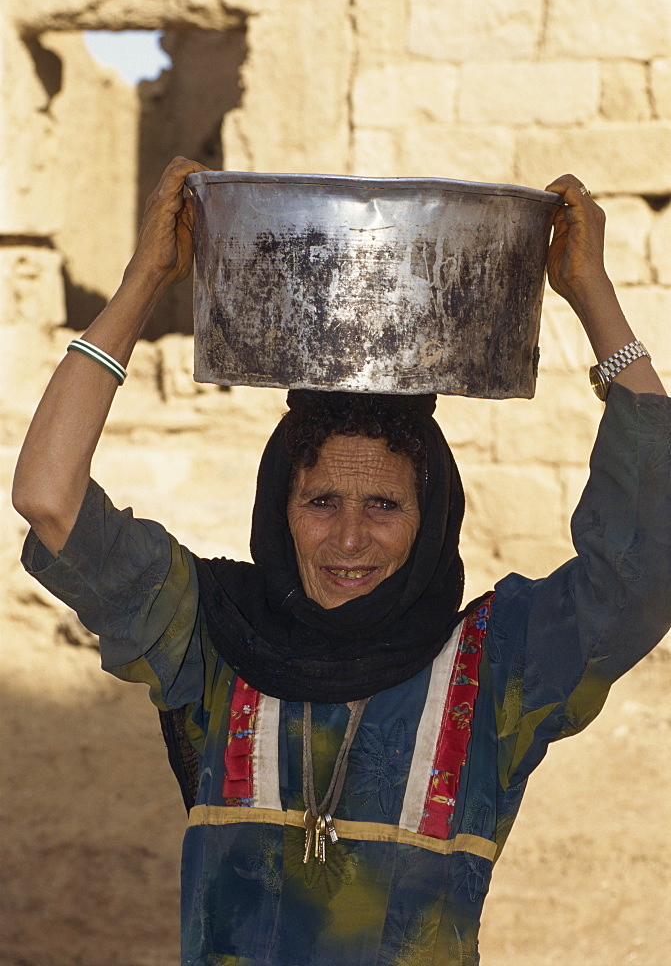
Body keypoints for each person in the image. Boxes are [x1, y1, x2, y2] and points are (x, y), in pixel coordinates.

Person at [12, 157, 671, 966]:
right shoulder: (207, 638)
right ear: (278, 512)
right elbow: (49, 497)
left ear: (432, 523)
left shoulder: (496, 668)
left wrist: (591, 298)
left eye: (384, 507)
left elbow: (647, 557)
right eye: (320, 502)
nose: (349, 540)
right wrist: (144, 280)